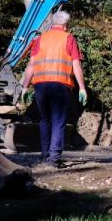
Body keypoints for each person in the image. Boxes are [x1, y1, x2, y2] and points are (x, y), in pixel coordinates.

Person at [20, 11, 87, 167]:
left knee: (45, 120)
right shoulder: (68, 38)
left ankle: (45, 155)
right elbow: (76, 65)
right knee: (58, 122)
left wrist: (24, 87)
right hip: (60, 84)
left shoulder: (40, 39)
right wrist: (82, 88)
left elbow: (31, 65)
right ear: (65, 25)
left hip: (40, 85)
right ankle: (54, 158)